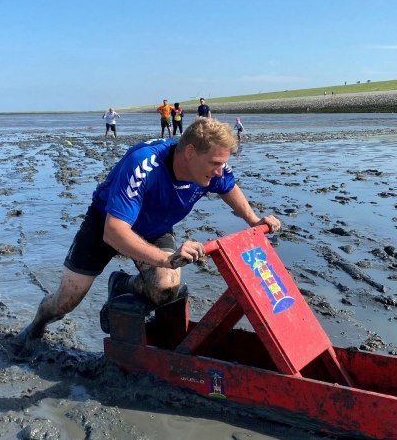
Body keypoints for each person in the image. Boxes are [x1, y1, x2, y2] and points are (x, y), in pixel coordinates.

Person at [17, 117, 281, 346]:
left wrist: (253, 220)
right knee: (65, 302)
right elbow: (114, 233)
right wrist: (166, 258)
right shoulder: (145, 164)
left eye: (223, 164)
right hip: (107, 225)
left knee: (166, 287)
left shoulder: (213, 171)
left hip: (155, 228)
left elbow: (228, 187)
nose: (219, 171)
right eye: (214, 163)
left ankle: (121, 284)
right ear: (190, 152)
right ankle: (36, 326)